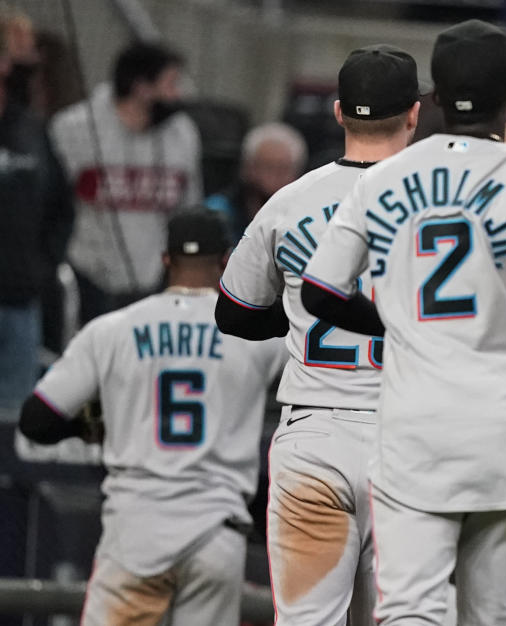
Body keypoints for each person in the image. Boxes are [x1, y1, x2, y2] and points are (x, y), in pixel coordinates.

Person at [299, 20, 506, 626]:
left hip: (412, 428)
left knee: (411, 610)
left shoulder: (382, 178)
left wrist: (394, 323)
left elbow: (319, 291)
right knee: (497, 615)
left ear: (433, 99)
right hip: (501, 428)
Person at [216, 45, 423, 626]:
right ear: (414, 113)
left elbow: (233, 314)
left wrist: (301, 309)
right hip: (411, 441)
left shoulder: (290, 200)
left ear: (338, 112)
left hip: (315, 437)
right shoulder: (439, 203)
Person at [17, 210, 284, 626]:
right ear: (226, 260)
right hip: (216, 532)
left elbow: (36, 420)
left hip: (135, 529)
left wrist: (98, 424)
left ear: (165, 260)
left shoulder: (112, 330)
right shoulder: (257, 336)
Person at [50, 41, 202, 323]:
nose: (177, 94)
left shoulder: (182, 133)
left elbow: (189, 208)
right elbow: (52, 205)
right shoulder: (74, 127)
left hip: (154, 277)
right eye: (170, 84)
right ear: (141, 87)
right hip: (87, 274)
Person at [0, 22, 73, 422]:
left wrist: (42, 269)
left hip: (19, 298)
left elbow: (62, 208)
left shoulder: (31, 130)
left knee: (13, 421)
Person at [206, 122, 308, 242]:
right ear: (248, 168)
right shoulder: (217, 214)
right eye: (268, 167)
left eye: (284, 168)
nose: (275, 176)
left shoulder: (308, 219)